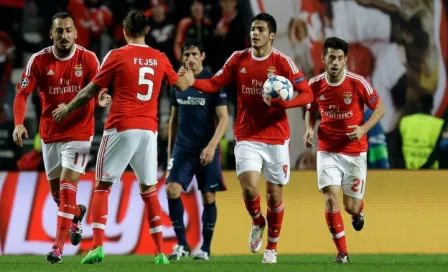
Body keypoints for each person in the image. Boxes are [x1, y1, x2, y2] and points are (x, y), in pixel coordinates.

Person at [52, 10, 194, 265]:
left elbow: (90, 91)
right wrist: (190, 74)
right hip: (148, 132)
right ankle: (161, 252)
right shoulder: (159, 57)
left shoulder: (117, 55)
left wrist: (67, 107)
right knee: (149, 191)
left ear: (125, 31)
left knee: (102, 187)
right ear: (147, 31)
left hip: (121, 126)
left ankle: (97, 247)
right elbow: (182, 85)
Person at [180, 13, 313, 263]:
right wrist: (193, 82)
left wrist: (286, 104)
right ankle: (257, 221)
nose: (255, 33)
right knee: (250, 187)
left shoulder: (283, 62)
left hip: (276, 137)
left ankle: (271, 248)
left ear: (271, 35)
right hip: (247, 135)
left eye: (261, 29)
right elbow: (215, 83)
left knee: (274, 196)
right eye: (253, 29)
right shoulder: (238, 58)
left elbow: (307, 94)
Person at [12, 12, 111, 264]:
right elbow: (22, 94)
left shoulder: (88, 58)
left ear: (76, 33)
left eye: (68, 30)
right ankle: (77, 215)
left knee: (68, 188)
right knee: (58, 196)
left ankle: (57, 247)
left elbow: (99, 88)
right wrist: (19, 123)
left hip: (79, 132)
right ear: (51, 34)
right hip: (50, 133)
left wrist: (100, 100)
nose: (64, 35)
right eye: (59, 31)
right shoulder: (39, 60)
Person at [304, 37, 386, 263]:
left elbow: (380, 108)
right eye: (331, 57)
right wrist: (309, 129)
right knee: (331, 199)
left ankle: (359, 211)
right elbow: (310, 110)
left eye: (340, 58)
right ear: (323, 58)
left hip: (354, 151)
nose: (335, 63)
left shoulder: (358, 82)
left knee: (350, 206)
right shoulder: (315, 84)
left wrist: (363, 129)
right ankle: (342, 252)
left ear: (345, 60)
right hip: (327, 149)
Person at [166, 39, 229, 261]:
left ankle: (206, 248)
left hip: (206, 149)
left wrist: (212, 146)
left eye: (194, 54)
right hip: (182, 149)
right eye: (186, 55)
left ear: (202, 56)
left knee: (208, 196)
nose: (190, 59)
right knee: (172, 189)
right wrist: (169, 154)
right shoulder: (177, 82)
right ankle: (182, 245)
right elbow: (173, 120)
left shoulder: (213, 82)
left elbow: (224, 119)